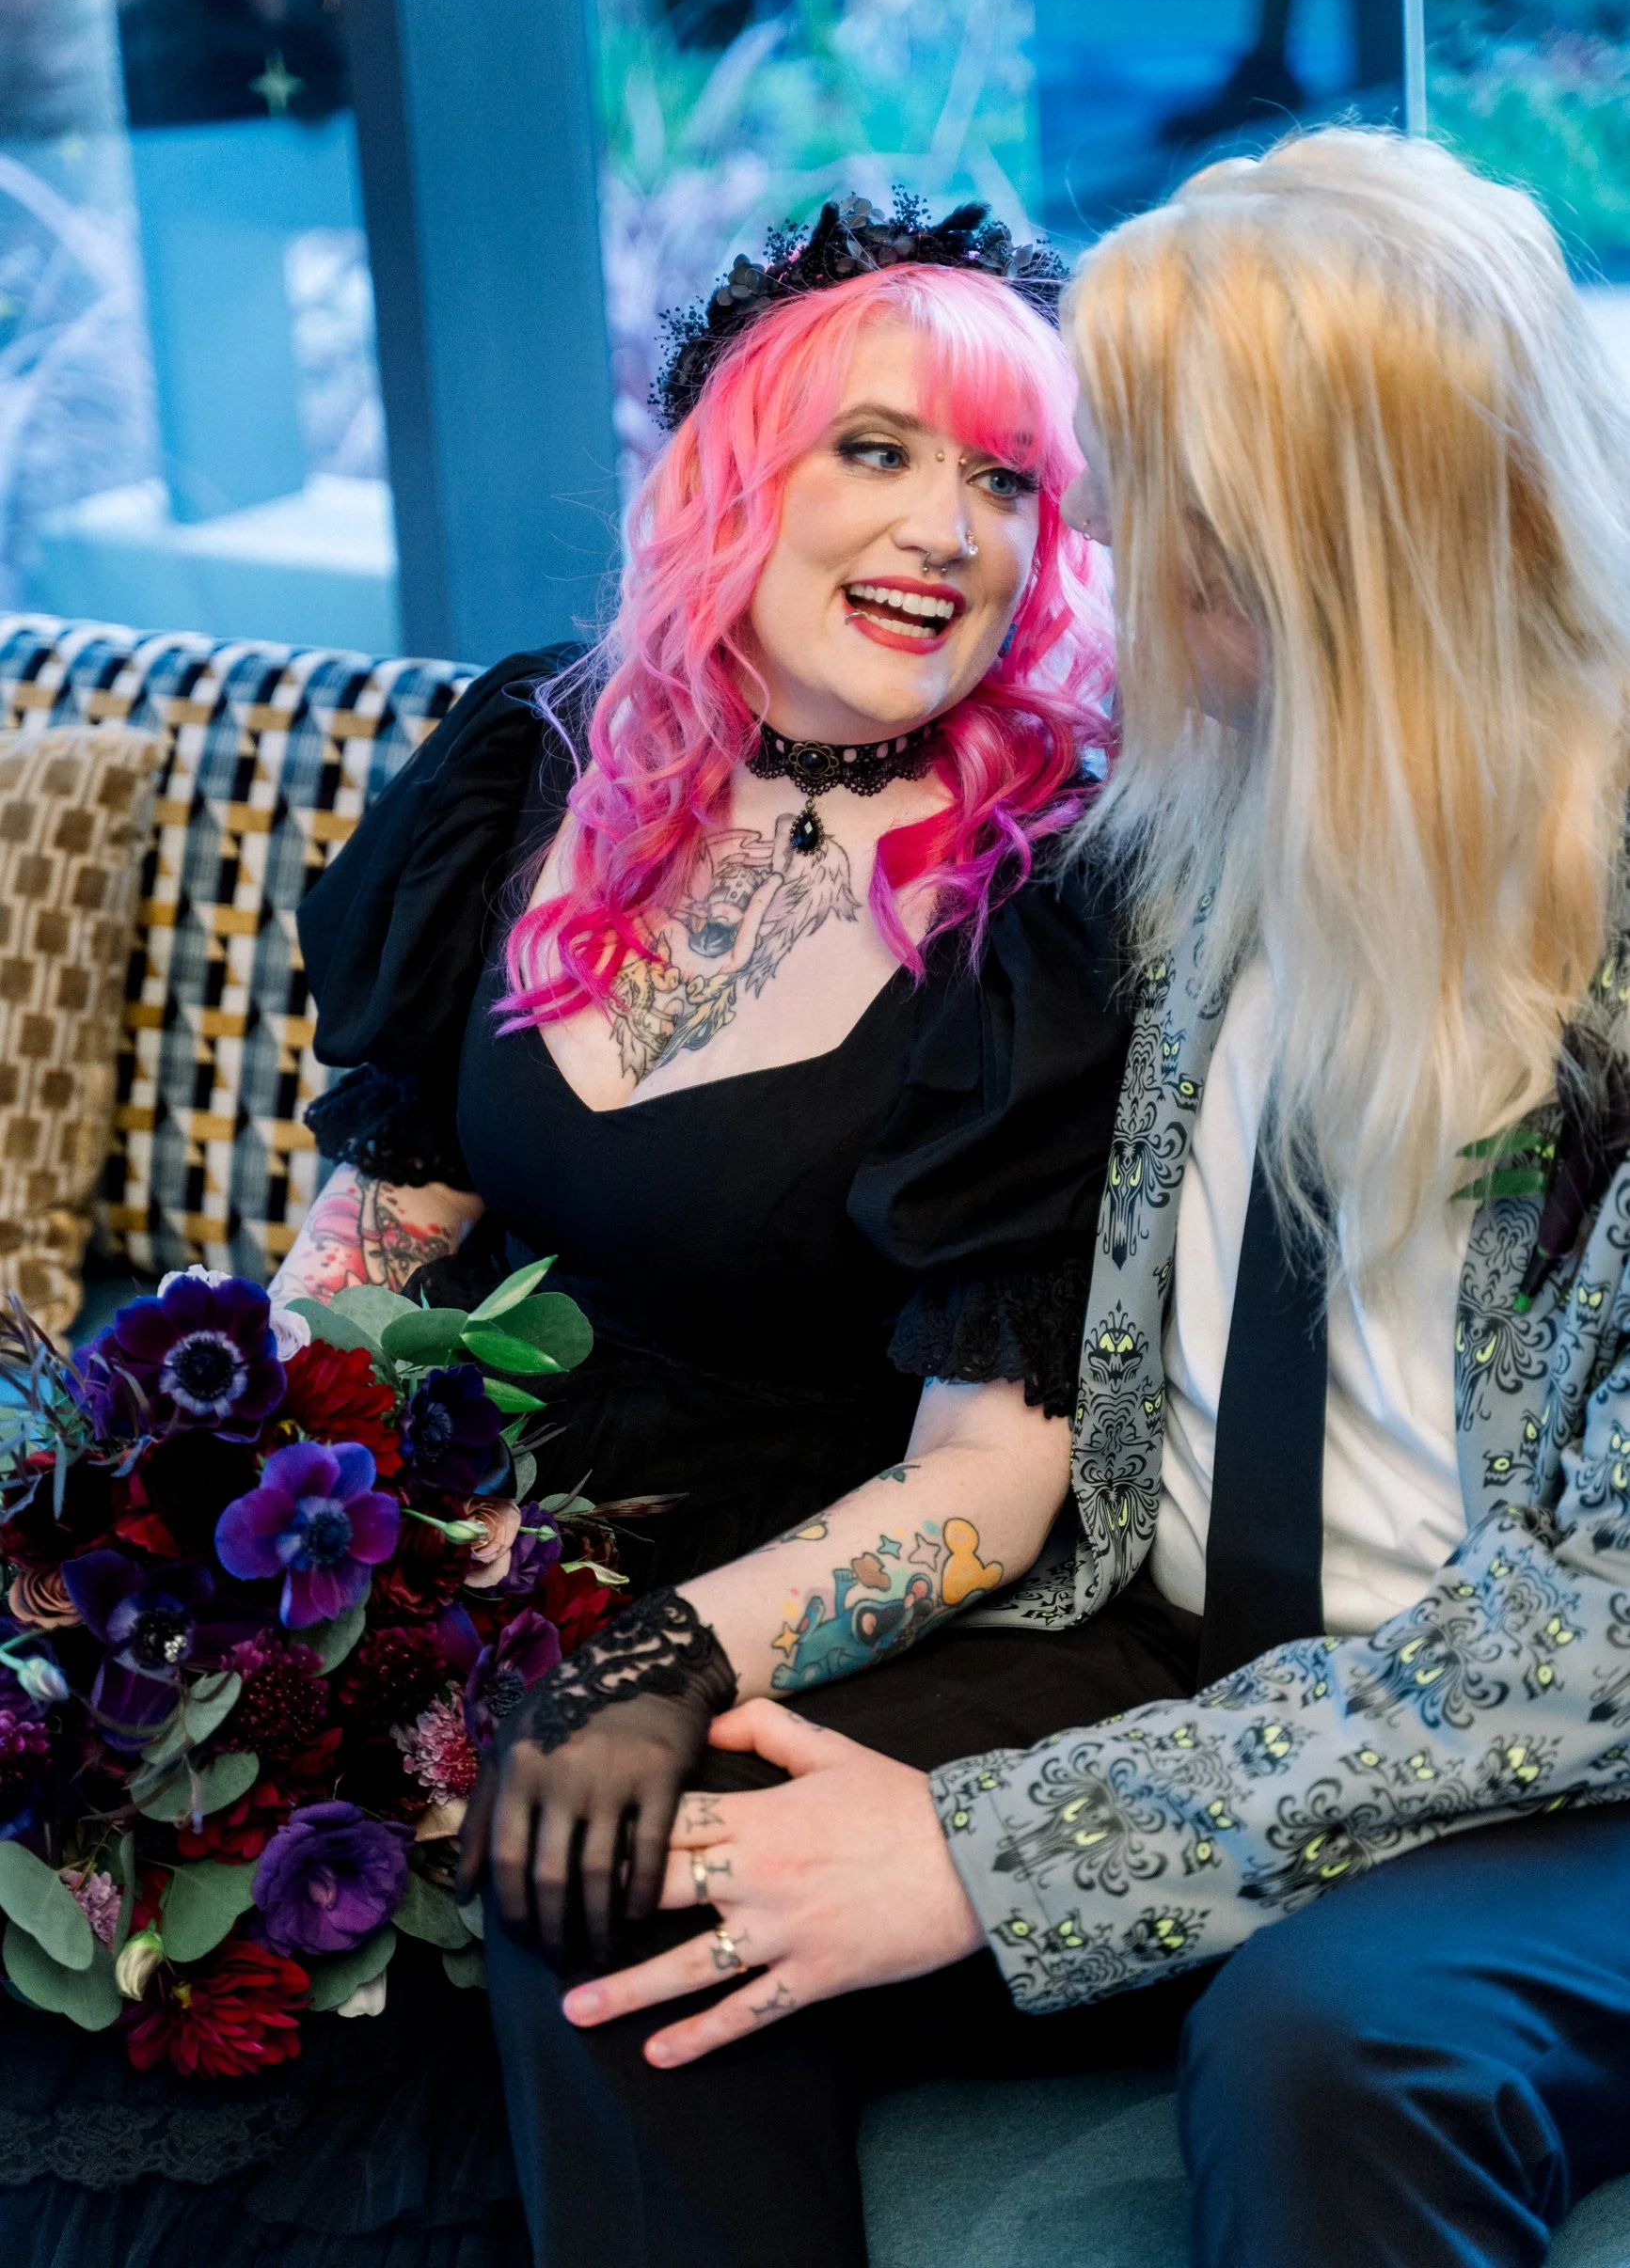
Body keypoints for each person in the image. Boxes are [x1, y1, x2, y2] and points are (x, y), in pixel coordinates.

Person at [519, 129, 1630, 2268]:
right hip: (1175, 1640)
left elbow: (1599, 1635)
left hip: (1567, 1753)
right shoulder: (1178, 830)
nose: (1090, 534)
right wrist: (661, 1652)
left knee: (1334, 2044)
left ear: (1328, 537)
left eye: (1149, 489)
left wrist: (993, 1850)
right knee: (621, 1854)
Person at [0, 195, 1142, 2266]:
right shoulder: (534, 754)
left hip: (746, 1611)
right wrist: (209, 1524)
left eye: (1005, 480)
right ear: (733, 468)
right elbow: (388, 1219)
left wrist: (649, 1660)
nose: (947, 530)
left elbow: (992, 1476)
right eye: (874, 449)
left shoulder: (1048, 894)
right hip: (426, 1562)